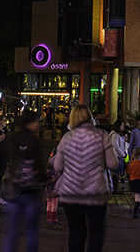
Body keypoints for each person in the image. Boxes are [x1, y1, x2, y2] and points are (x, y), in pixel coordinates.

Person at [52, 104, 119, 252]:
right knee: (96, 233)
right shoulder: (102, 135)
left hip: (70, 193)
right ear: (90, 117)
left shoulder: (66, 138)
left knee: (76, 233)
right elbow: (113, 163)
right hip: (95, 193)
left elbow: (57, 166)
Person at [2, 112, 46, 252]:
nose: (38, 124)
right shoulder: (34, 141)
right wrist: (45, 183)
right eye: (36, 121)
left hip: (14, 191)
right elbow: (39, 166)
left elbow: (8, 159)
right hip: (31, 192)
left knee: (12, 231)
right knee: (32, 231)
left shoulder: (13, 138)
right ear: (29, 123)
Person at [126, 148, 140, 218]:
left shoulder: (131, 163)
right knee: (138, 196)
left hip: (132, 180)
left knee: (135, 194)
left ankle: (134, 208)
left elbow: (128, 172)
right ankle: (135, 211)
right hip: (139, 180)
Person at [109, 120, 128, 194]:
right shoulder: (114, 135)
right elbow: (116, 146)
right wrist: (123, 155)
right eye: (122, 125)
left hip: (118, 156)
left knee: (118, 173)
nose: (123, 127)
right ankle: (115, 190)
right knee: (115, 173)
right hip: (116, 156)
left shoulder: (118, 134)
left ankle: (115, 189)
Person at [44, 147, 61, 226]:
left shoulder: (47, 170)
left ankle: (48, 218)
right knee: (54, 204)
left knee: (49, 203)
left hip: (47, 188)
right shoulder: (56, 170)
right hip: (54, 189)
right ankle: (53, 218)